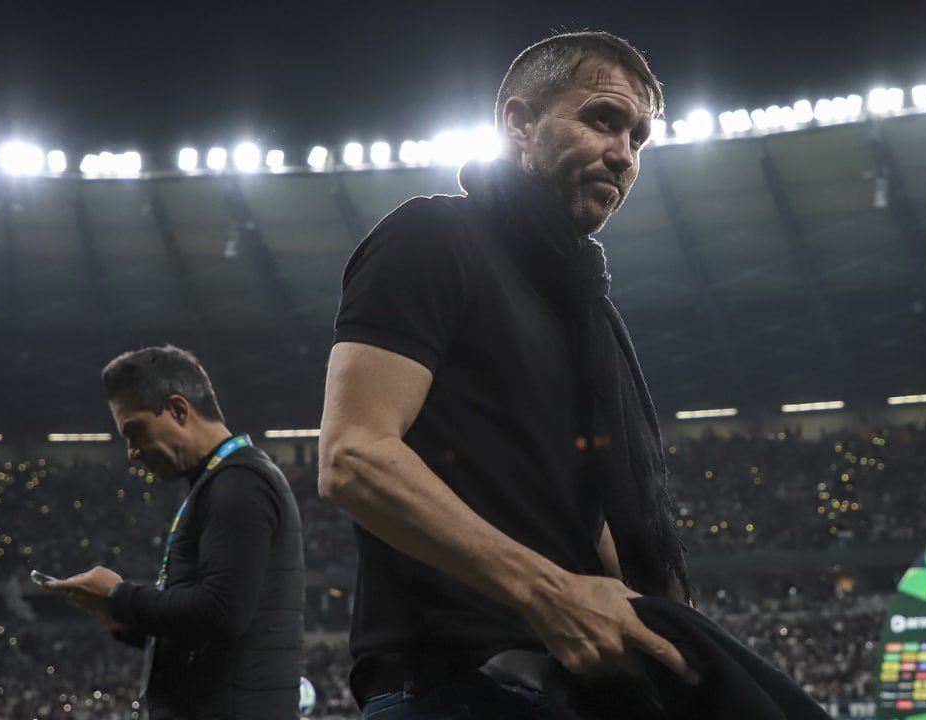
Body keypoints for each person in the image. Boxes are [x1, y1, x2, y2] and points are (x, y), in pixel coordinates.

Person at [318, 31, 697, 719]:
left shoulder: (580, 307)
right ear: (519, 124)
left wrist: (681, 639)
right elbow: (354, 457)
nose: (624, 154)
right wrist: (551, 594)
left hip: (576, 690)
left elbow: (585, 517)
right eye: (603, 119)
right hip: (451, 688)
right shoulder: (431, 237)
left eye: (639, 138)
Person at [48, 345, 305, 720]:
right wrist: (122, 619)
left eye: (135, 431)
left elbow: (221, 612)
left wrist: (120, 597)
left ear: (179, 410)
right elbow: (208, 634)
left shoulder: (239, 482)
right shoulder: (220, 482)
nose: (132, 452)